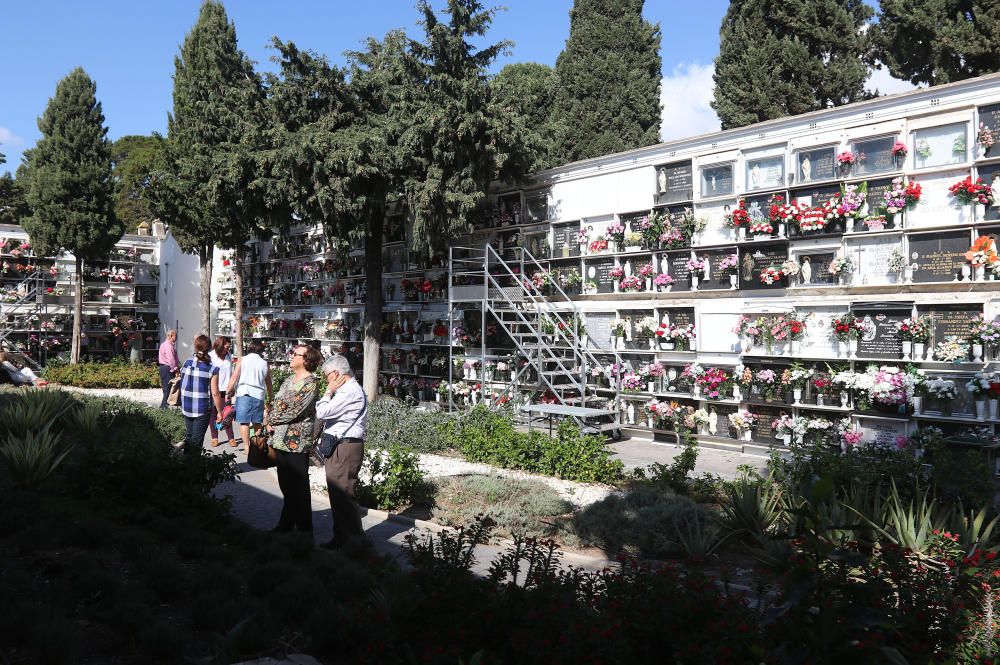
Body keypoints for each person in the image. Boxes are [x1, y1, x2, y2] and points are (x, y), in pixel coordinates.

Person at [264, 345, 322, 533]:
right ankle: (286, 526)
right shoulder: (289, 380)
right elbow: (279, 404)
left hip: (296, 443)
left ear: (306, 360)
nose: (291, 356)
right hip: (280, 439)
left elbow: (295, 410)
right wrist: (270, 416)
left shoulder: (310, 383)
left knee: (300, 489)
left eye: (295, 354)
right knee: (287, 487)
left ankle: (305, 531)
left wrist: (271, 418)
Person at [315, 353, 368, 550]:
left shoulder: (349, 391)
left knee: (344, 494)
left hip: (345, 447)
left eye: (327, 376)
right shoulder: (348, 390)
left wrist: (328, 392)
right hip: (341, 445)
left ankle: (355, 541)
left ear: (336, 374)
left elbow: (321, 412)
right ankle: (341, 537)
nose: (326, 380)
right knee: (338, 495)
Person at [178, 335, 224, 456]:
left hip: (187, 406)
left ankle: (185, 467)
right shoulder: (212, 369)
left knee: (189, 437)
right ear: (209, 348)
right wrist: (220, 411)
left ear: (195, 346)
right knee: (197, 441)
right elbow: (215, 392)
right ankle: (193, 469)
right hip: (202, 409)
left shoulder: (187, 362)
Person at [227, 338, 272, 454]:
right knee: (257, 422)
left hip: (244, 392)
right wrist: (270, 399)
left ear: (250, 348)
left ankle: (247, 447)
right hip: (258, 394)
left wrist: (229, 390)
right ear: (261, 351)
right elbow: (269, 384)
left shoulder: (243, 360)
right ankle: (256, 446)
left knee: (244, 422)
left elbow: (234, 377)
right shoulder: (265, 364)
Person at [208, 336, 237, 448]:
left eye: (229, 346)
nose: (228, 348)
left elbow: (231, 373)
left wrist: (232, 387)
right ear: (220, 345)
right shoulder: (211, 356)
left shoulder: (229, 356)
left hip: (226, 389)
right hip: (214, 388)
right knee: (213, 414)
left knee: (227, 414)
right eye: (227, 346)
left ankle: (231, 437)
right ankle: (214, 437)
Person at [158, 330, 179, 409]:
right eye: (175, 336)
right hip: (167, 368)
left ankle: (164, 406)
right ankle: (163, 406)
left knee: (166, 388)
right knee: (167, 388)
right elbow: (171, 359)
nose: (176, 337)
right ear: (170, 336)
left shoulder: (166, 344)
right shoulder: (168, 346)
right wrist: (175, 369)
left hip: (164, 367)